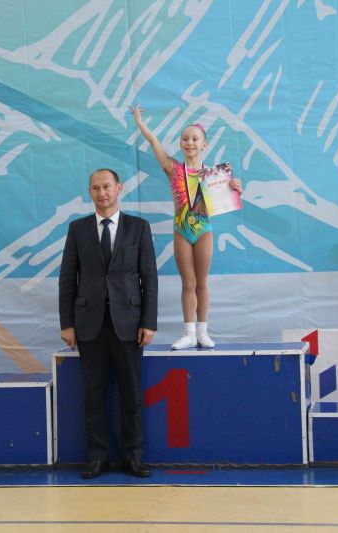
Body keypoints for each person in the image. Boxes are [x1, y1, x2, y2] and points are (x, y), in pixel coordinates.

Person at [59, 168, 158, 479]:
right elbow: (67, 280)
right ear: (90, 192)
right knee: (93, 394)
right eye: (95, 188)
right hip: (89, 325)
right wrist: (67, 324)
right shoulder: (77, 229)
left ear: (118, 188)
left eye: (106, 187)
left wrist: (148, 322)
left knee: (131, 394)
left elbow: (149, 278)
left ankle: (133, 458)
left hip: (129, 324)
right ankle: (97, 458)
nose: (101, 193)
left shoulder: (139, 228)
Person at [132, 104, 242, 349]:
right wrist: (139, 121)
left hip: (203, 230)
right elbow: (154, 142)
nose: (189, 142)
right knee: (188, 282)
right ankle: (189, 333)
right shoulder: (173, 168)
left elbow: (228, 198)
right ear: (180, 143)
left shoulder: (215, 176)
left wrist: (235, 187)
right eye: (185, 138)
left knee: (202, 282)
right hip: (181, 230)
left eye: (194, 139)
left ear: (204, 144)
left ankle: (203, 332)